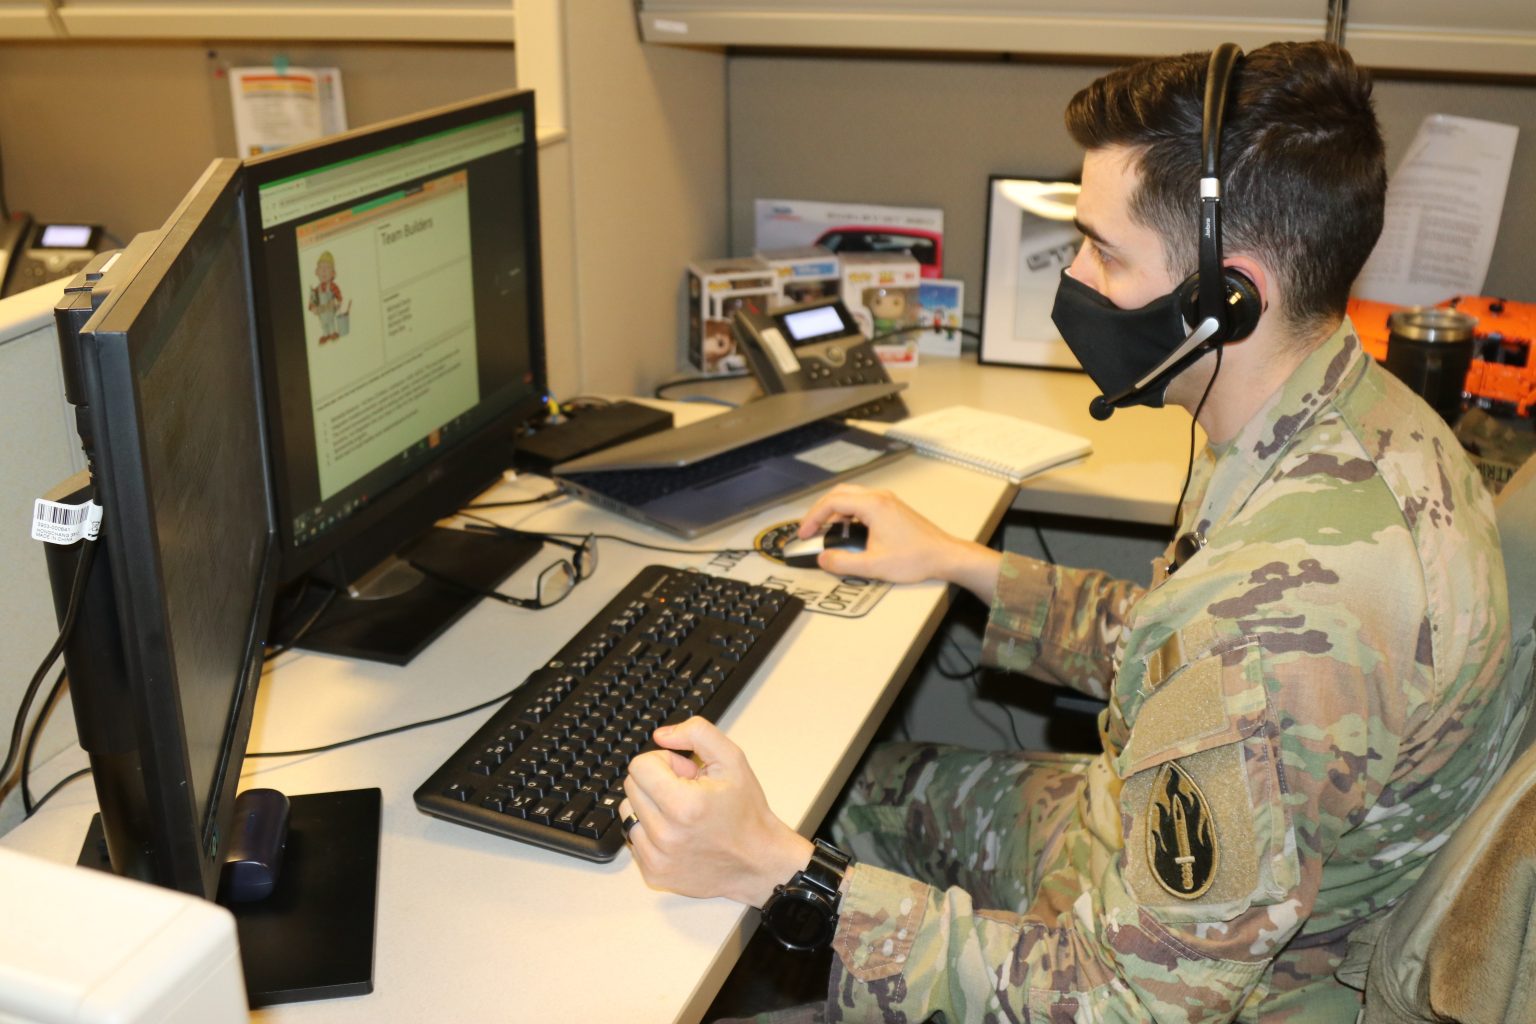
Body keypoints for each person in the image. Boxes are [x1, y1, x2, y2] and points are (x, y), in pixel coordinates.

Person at [620, 41, 1521, 1021]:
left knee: (758, 861)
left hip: (1205, 985)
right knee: (831, 785)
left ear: (1227, 298)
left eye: (1105, 250)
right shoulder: (1342, 415)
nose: (1075, 277)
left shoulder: (1286, 621)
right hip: (1151, 855)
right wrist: (962, 562)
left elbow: (1125, 1003)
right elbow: (1180, 648)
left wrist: (787, 876)